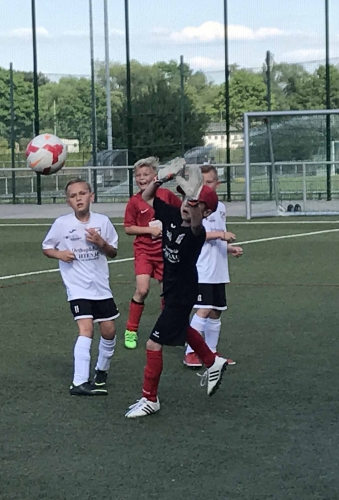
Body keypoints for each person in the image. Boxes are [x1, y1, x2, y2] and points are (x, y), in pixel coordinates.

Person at [127, 169, 229, 418]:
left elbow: (195, 222)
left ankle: (150, 399)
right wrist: (161, 180)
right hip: (170, 288)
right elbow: (147, 197)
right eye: (185, 199)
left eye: (195, 203)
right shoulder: (171, 214)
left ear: (206, 213)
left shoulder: (197, 233)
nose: (187, 204)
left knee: (153, 343)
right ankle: (211, 360)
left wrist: (194, 203)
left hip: (183, 293)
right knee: (182, 327)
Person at [42, 178, 119, 396]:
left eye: (82, 194)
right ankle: (79, 382)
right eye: (73, 196)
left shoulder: (103, 221)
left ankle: (101, 371)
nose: (78, 198)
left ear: (91, 196)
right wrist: (59, 254)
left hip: (100, 286)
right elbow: (47, 247)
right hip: (77, 288)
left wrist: (101, 242)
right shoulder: (62, 224)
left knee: (109, 331)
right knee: (86, 329)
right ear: (68, 202)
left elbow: (113, 252)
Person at [184, 164, 243, 367]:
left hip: (218, 268)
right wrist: (221, 235)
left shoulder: (221, 208)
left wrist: (229, 248)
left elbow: (216, 235)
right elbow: (196, 234)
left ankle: (211, 353)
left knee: (216, 310)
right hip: (202, 268)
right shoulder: (195, 208)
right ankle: (190, 352)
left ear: (217, 184)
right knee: (204, 308)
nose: (205, 186)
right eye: (201, 183)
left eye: (209, 182)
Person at [123, 157, 181, 350]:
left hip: (165, 252)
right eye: (138, 175)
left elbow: (181, 213)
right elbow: (128, 228)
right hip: (144, 252)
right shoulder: (134, 201)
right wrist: (149, 230)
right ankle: (131, 329)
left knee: (167, 292)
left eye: (145, 174)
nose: (141, 178)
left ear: (155, 176)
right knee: (142, 290)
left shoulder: (166, 195)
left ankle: (165, 329)